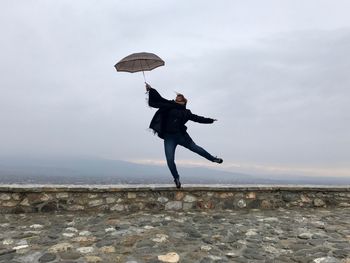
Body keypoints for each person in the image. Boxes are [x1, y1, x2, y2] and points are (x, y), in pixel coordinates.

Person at [146, 83, 223, 189]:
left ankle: (213, 159)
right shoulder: (169, 106)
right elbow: (159, 99)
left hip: (181, 136)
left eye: (179, 97)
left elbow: (197, 118)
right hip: (169, 138)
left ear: (183, 101)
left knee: (196, 148)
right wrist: (151, 89)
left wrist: (210, 120)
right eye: (176, 97)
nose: (176, 98)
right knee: (169, 159)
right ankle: (176, 178)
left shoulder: (186, 112)